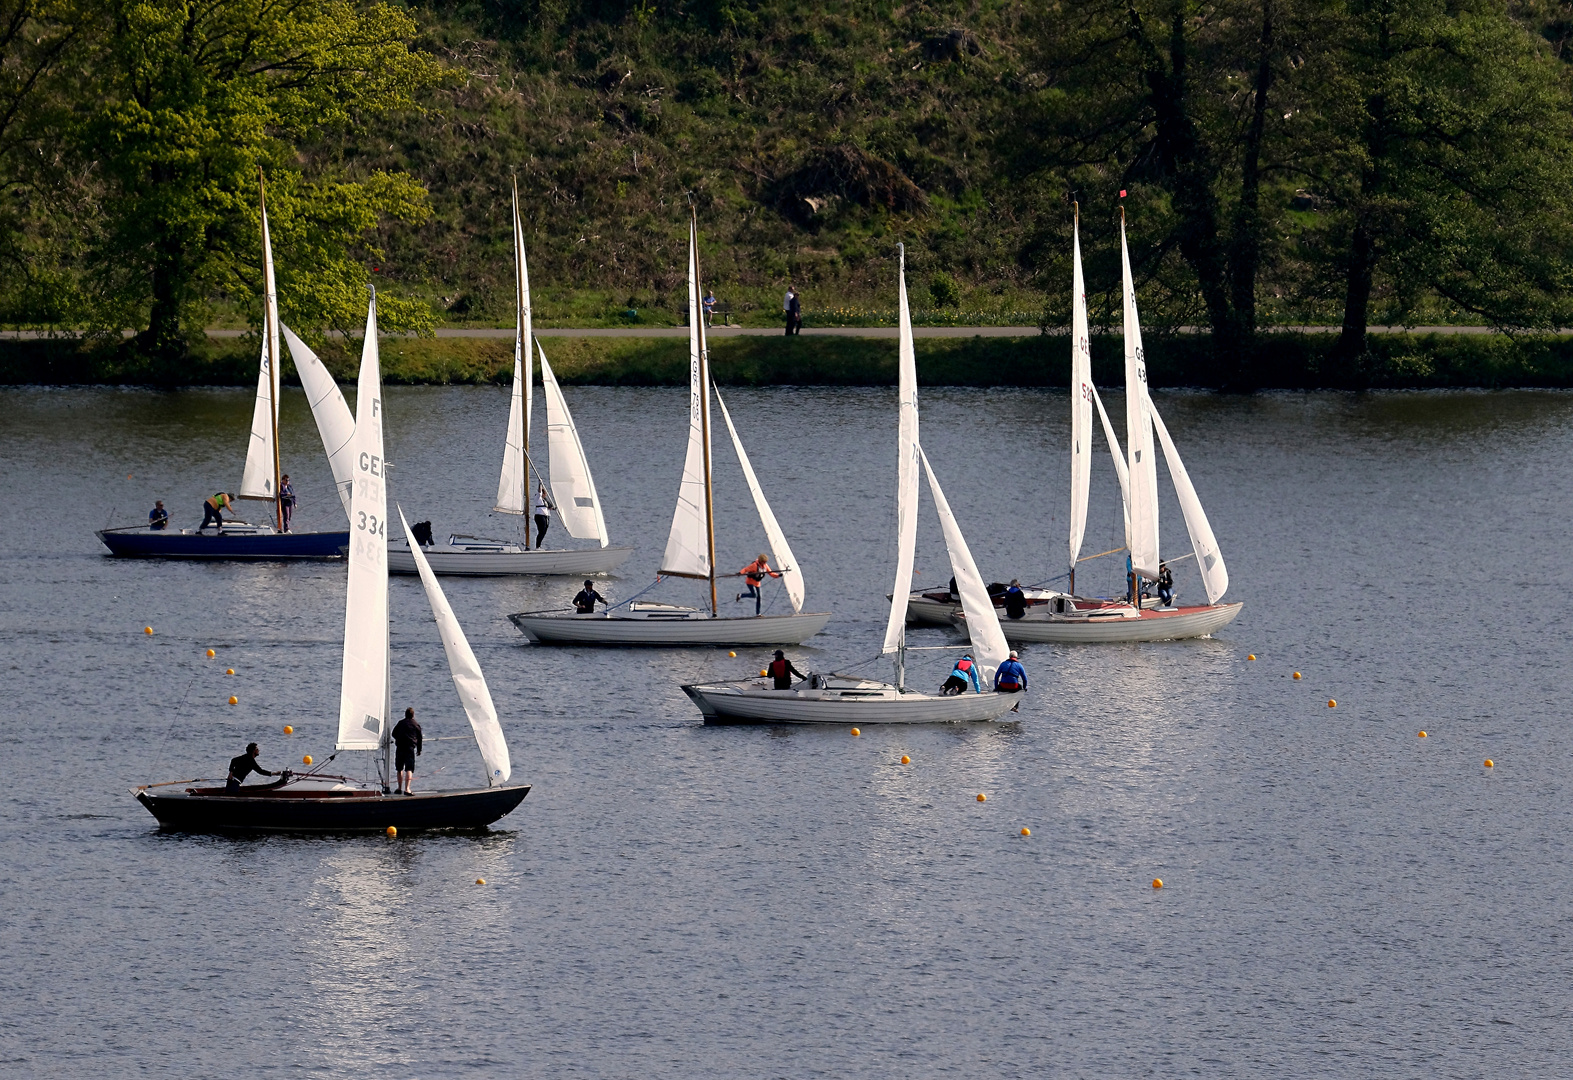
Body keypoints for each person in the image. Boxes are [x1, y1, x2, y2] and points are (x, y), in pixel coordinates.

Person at [392, 707, 422, 795]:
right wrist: (419, 749)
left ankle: (399, 788)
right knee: (409, 769)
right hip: (409, 748)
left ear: (405, 715)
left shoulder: (400, 723)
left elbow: (393, 733)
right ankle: (407, 789)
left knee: (399, 768)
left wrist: (399, 739)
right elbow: (419, 738)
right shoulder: (415, 724)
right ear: (413, 715)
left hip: (400, 747)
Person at [533, 484, 552, 548]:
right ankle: (537, 546)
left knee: (544, 531)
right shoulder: (538, 497)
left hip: (545, 516)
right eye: (545, 493)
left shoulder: (545, 500)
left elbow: (549, 507)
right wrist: (540, 484)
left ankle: (539, 545)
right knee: (542, 530)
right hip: (540, 516)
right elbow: (539, 491)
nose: (546, 495)